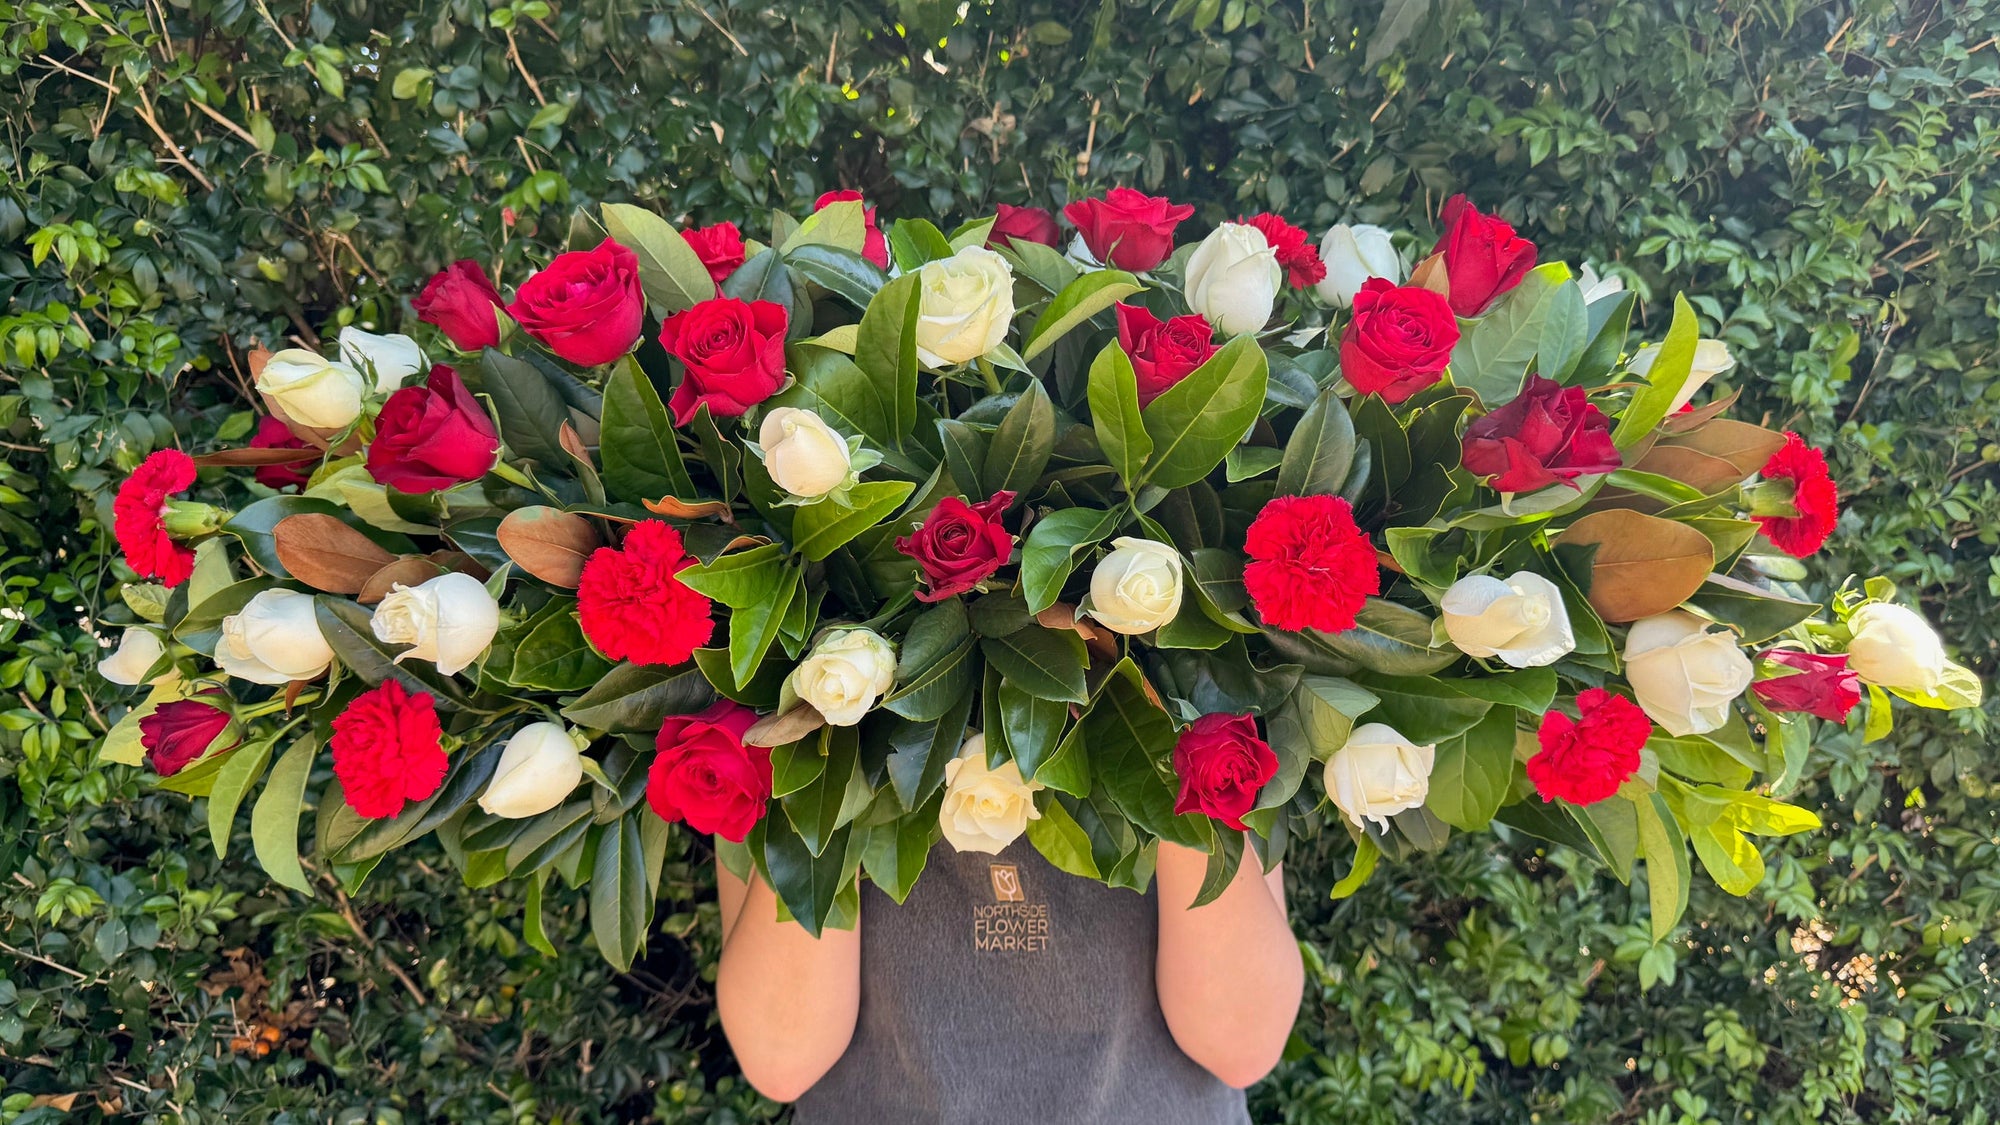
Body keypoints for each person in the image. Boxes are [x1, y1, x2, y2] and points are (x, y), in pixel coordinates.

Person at [715, 831, 1304, 1124]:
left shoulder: (1198, 653)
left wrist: (1166, 721)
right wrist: (824, 739)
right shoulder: (792, 669)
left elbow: (1240, 1040)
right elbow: (782, 1056)